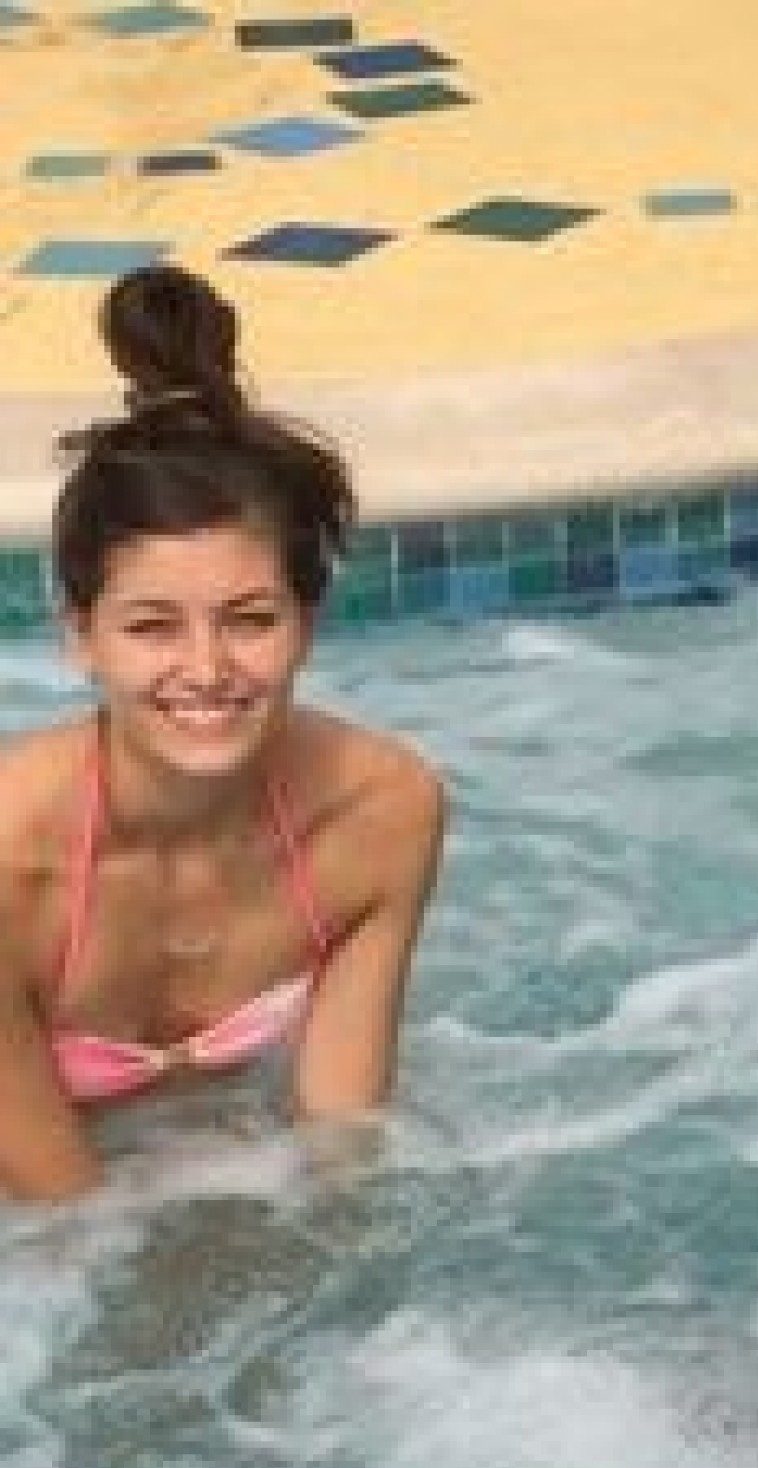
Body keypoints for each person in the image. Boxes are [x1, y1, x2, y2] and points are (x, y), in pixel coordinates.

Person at [0, 263, 445, 1203]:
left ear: (307, 623)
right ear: (81, 638)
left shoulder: (383, 812)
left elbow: (343, 1147)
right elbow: (62, 1222)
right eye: (151, 626)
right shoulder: (9, 862)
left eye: (250, 618)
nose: (206, 670)